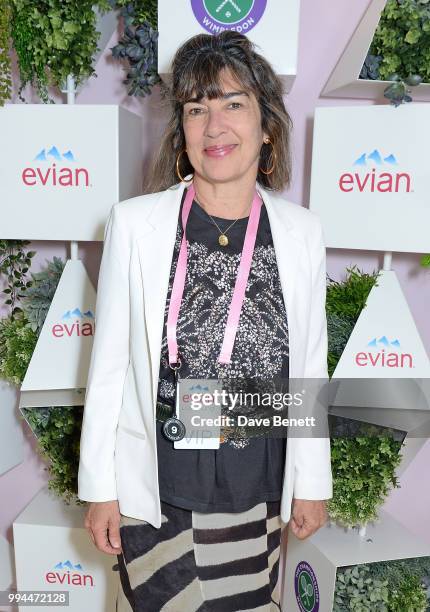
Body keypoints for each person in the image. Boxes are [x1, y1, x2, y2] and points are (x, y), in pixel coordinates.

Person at [78, 30, 333, 612]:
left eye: (233, 103)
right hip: (159, 483)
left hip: (259, 481)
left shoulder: (301, 232)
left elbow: (309, 365)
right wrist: (99, 488)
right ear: (182, 131)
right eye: (197, 109)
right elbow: (110, 368)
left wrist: (313, 483)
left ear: (266, 126)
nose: (214, 126)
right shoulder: (135, 224)